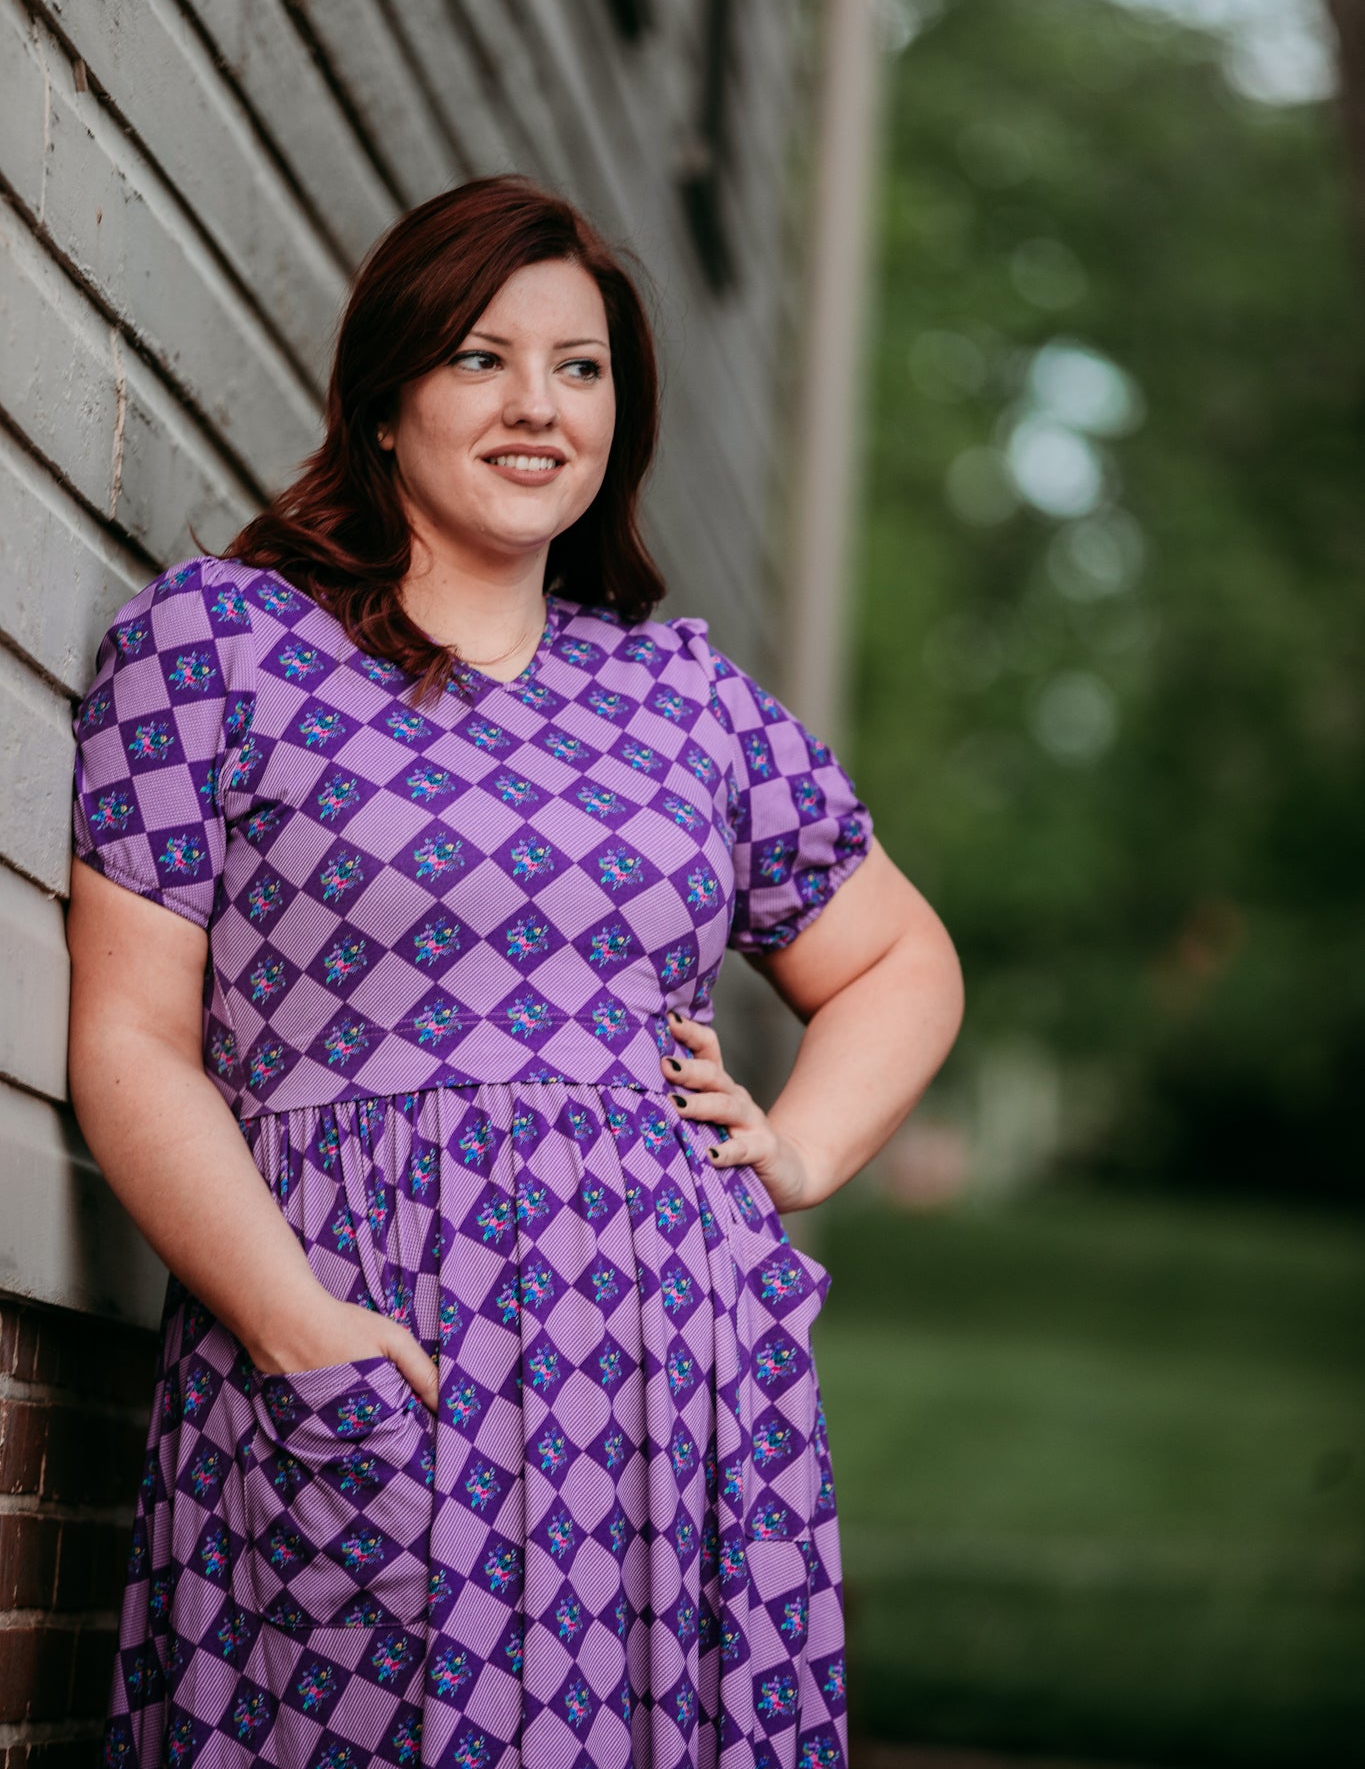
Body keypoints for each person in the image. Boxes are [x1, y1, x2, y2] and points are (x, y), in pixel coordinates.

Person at [66, 174, 964, 1769]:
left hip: (662, 1393)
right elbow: (133, 1039)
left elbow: (898, 956)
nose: (537, 407)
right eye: (482, 359)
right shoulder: (220, 647)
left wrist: (800, 1151)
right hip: (369, 1349)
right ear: (386, 395)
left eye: (582, 367)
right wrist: (296, 1328)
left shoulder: (683, 704)